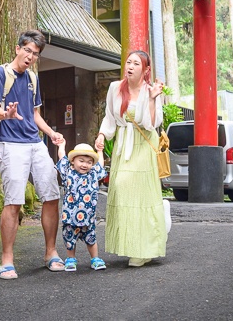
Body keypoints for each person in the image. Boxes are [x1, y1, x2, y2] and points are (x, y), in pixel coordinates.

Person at [0, 30, 66, 280]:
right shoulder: (1, 73)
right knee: (14, 201)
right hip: (10, 144)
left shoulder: (33, 78)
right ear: (18, 48)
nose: (31, 56)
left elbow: (35, 115)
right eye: (28, 51)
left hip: (35, 142)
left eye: (36, 53)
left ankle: (51, 252)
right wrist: (6, 114)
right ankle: (7, 260)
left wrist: (51, 133)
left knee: (52, 195)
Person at [94, 50, 166, 267]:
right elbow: (109, 116)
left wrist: (153, 99)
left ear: (145, 70)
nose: (130, 66)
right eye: (128, 62)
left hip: (143, 145)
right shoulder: (115, 88)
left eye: (136, 63)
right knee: (121, 188)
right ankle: (132, 244)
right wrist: (101, 135)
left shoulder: (149, 90)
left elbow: (150, 124)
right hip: (123, 145)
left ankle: (145, 248)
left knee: (140, 195)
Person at [55, 141, 107, 272]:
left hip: (88, 217)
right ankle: (71, 258)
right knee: (69, 238)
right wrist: (62, 145)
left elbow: (100, 164)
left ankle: (95, 258)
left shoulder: (93, 173)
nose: (85, 165)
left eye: (89, 162)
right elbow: (62, 156)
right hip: (70, 215)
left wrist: (99, 151)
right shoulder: (68, 171)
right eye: (81, 161)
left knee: (91, 238)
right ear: (72, 160)